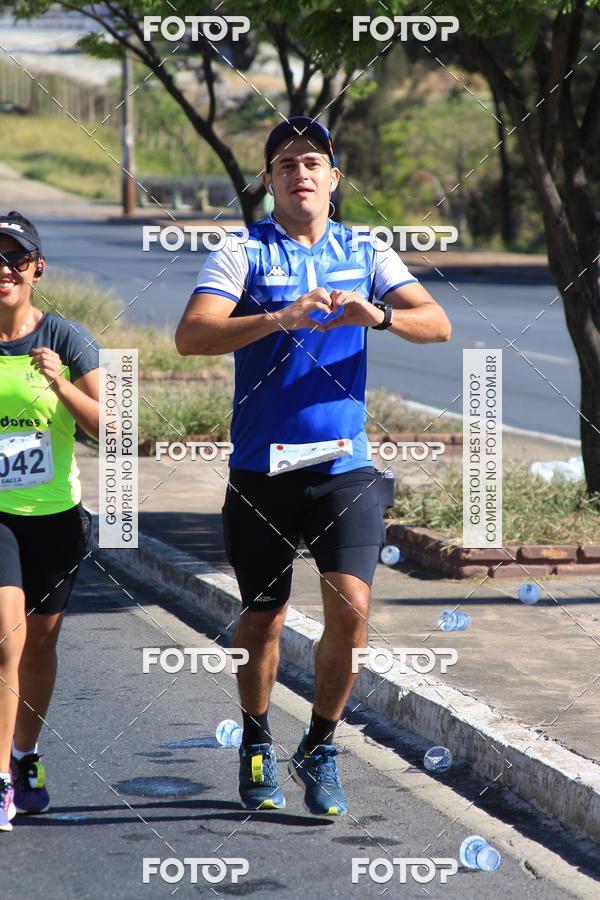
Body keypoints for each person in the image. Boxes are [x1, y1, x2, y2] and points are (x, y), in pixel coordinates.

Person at [175, 117, 451, 816]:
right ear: (268, 181)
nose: (301, 171)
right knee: (264, 619)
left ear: (334, 178)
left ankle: (321, 745)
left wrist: (379, 316)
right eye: (286, 162)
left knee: (353, 611)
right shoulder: (242, 251)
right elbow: (192, 335)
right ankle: (259, 738)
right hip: (262, 470)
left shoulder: (365, 248)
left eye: (313, 161)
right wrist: (279, 319)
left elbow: (437, 322)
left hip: (343, 465)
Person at [0, 212, 101, 832]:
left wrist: (61, 385)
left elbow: (113, 428)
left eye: (14, 259)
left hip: (56, 518)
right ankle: (1, 784)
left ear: (36, 269)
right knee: (5, 639)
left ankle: (24, 753)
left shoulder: (66, 337)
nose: (2, 271)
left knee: (39, 645)